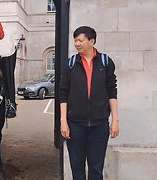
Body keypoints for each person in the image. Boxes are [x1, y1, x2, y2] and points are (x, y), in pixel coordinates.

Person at [59, 26, 119, 180]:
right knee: (77, 169)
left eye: (80, 40)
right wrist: (63, 121)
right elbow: (63, 93)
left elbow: (112, 91)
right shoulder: (70, 64)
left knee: (96, 169)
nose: (77, 43)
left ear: (92, 41)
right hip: (75, 126)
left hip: (100, 126)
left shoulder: (105, 62)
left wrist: (115, 121)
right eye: (75, 40)